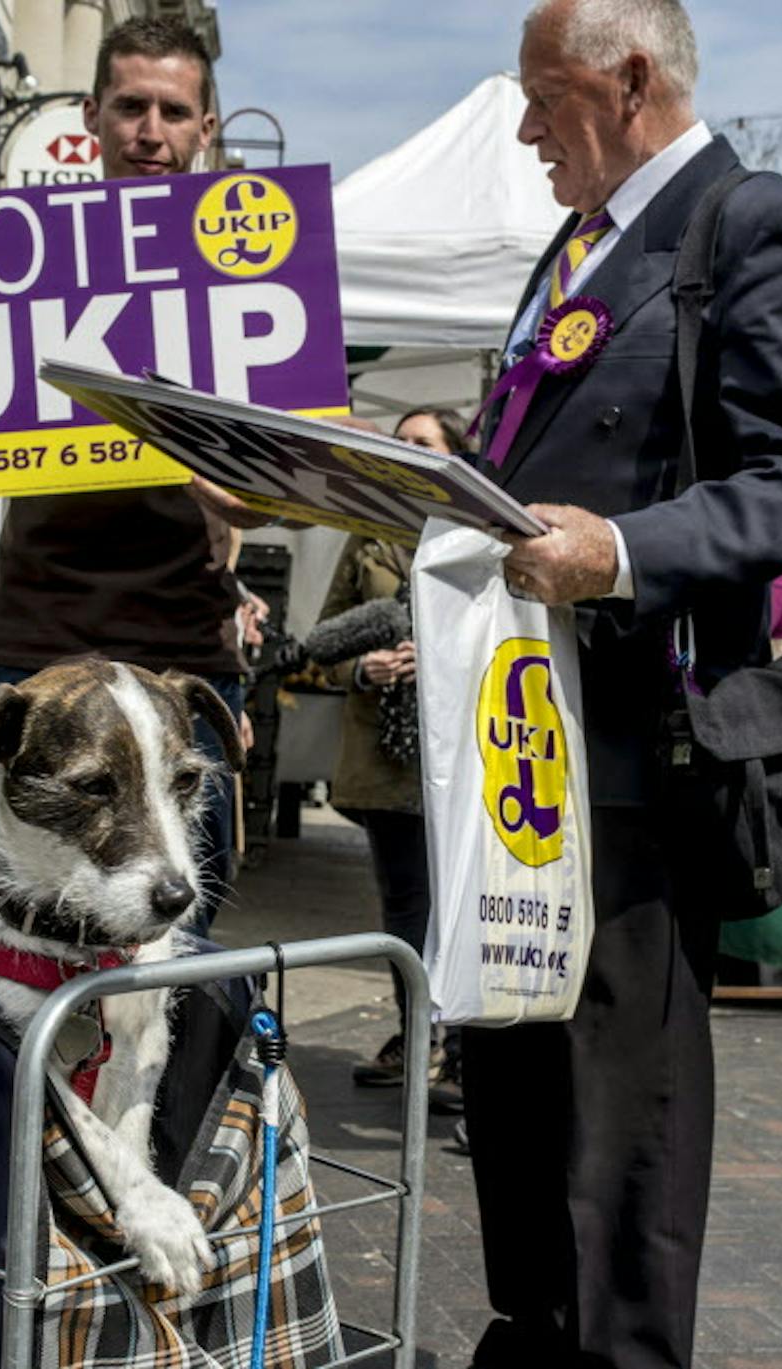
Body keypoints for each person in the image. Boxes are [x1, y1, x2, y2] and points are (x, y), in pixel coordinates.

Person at [467, 2, 782, 1364]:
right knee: (514, 1088)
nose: (523, 128)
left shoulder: (752, 225)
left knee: (616, 1114)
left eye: (542, 96)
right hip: (518, 741)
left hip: (637, 755)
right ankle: (533, 1334)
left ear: (629, 79)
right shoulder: (574, 254)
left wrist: (622, 551)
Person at [0, 16, 256, 934]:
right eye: (130, 106)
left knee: (169, 931)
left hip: (181, 645)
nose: (150, 128)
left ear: (206, 127)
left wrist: (253, 484)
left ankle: (154, 1084)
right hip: (33, 640)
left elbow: (297, 502)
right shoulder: (9, 256)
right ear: (93, 116)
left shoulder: (247, 273)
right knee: (3, 925)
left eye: (173, 110)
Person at [323, 407, 467, 1113]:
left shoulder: (477, 529)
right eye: (400, 442)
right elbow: (318, 649)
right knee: (406, 903)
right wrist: (363, 669)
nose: (407, 451)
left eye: (423, 443)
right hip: (388, 759)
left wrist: (445, 661)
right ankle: (418, 1039)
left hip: (464, 750)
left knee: (461, 900)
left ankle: (464, 1050)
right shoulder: (367, 537)